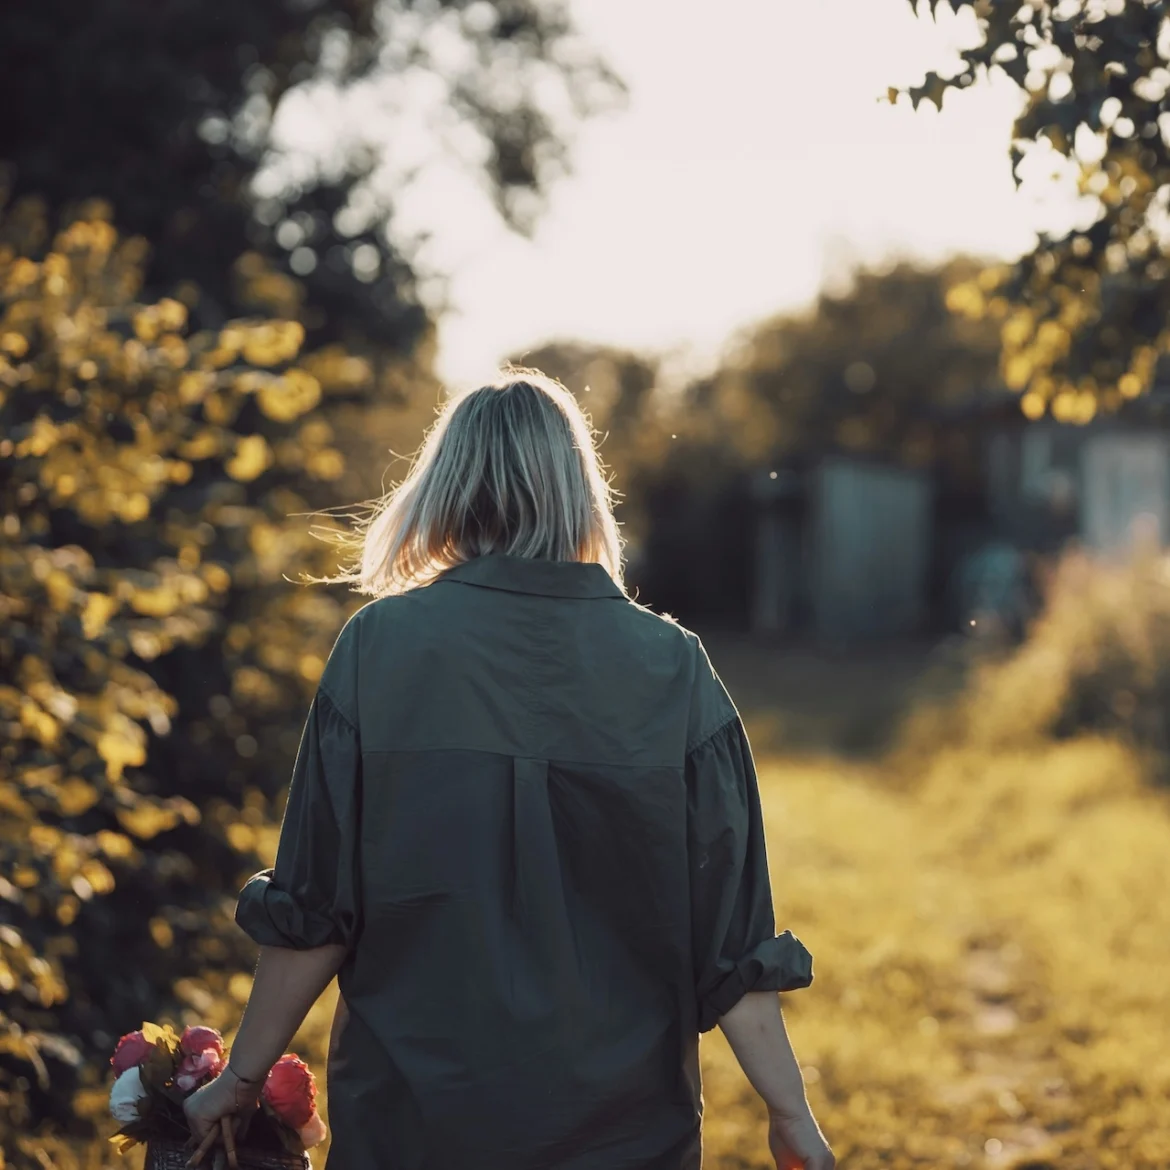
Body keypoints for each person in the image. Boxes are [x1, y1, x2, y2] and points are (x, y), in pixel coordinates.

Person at [184, 370, 833, 1170]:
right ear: (578, 492)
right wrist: (789, 1111)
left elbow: (315, 912)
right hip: (623, 1137)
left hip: (412, 1129)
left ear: (446, 487)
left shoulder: (377, 650)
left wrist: (240, 1081)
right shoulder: (674, 669)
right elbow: (732, 948)